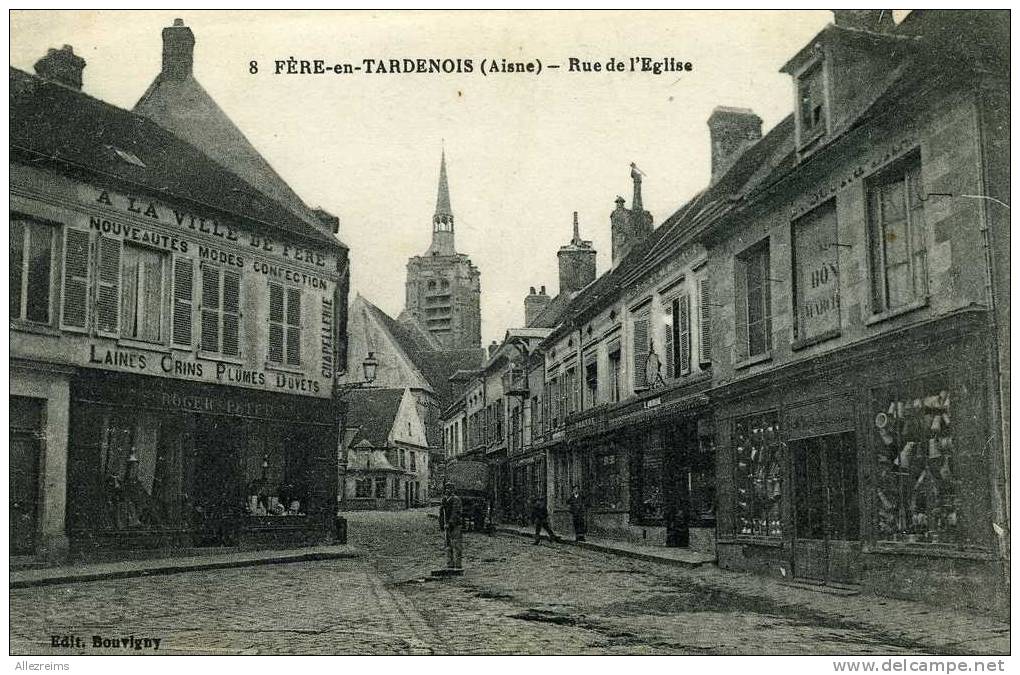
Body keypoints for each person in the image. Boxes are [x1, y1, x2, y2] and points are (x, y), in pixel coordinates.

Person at [438, 483, 463, 569]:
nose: (447, 490)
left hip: (455, 525)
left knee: (456, 545)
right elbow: (441, 513)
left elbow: (455, 512)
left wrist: (450, 523)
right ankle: (450, 563)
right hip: (446, 526)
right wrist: (442, 524)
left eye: (450, 488)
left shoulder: (456, 499)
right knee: (448, 545)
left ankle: (458, 564)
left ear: (453, 490)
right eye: (446, 488)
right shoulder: (444, 499)